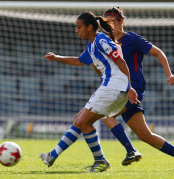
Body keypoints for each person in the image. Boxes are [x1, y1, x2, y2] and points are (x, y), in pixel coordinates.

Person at [40, 11, 140, 173]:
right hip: (114, 87)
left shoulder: (100, 40)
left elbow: (120, 61)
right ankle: (52, 155)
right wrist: (57, 57)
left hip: (113, 87)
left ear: (89, 27)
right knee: (79, 119)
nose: (76, 30)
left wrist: (129, 86)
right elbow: (79, 61)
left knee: (83, 122)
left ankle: (100, 161)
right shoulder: (92, 45)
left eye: (79, 27)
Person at [101, 6, 174, 171]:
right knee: (145, 135)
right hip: (118, 89)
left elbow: (158, 52)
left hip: (133, 87)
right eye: (107, 22)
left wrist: (169, 74)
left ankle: (130, 151)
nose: (111, 25)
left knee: (104, 114)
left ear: (122, 22)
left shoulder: (132, 39)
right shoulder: (106, 42)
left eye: (114, 21)